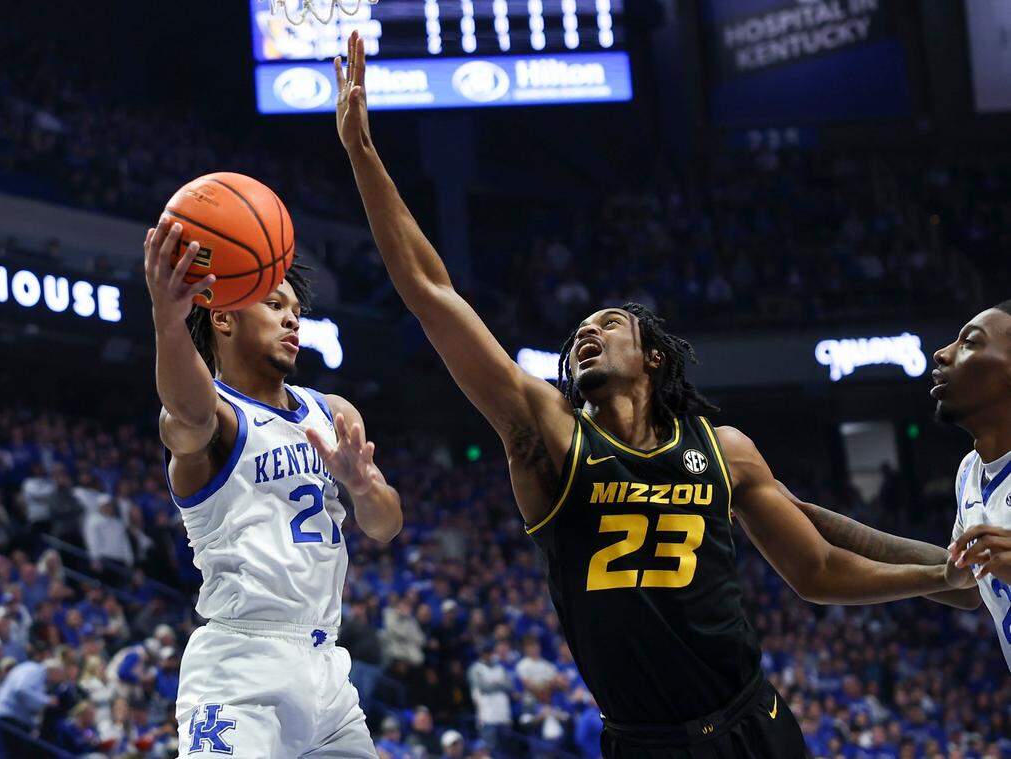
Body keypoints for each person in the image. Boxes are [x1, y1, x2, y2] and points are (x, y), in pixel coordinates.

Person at [333, 32, 972, 758]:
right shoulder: (548, 434)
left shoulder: (723, 450)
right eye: (579, 330)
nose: (586, 334)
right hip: (645, 743)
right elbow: (430, 291)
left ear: (654, 356)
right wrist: (362, 151)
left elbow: (817, 569)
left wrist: (936, 576)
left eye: (607, 324)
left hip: (755, 724)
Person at [144, 215, 404, 757]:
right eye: (275, 306)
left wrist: (360, 486)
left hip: (327, 670)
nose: (293, 322)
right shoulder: (216, 417)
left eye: (296, 311)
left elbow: (385, 525)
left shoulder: (330, 412)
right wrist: (169, 321)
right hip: (240, 669)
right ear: (223, 318)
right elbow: (185, 413)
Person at [940, 303, 1011, 669]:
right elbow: (959, 576)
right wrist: (809, 514)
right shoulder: (969, 470)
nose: (942, 353)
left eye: (969, 342)